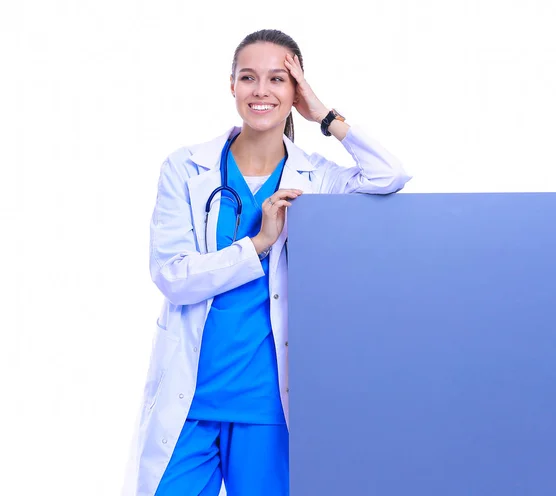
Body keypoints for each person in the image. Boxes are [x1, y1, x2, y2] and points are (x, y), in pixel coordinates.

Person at [122, 29, 412, 496]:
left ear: (295, 89)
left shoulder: (315, 177)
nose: (261, 91)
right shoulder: (185, 167)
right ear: (232, 86)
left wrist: (324, 114)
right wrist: (258, 243)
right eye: (249, 77)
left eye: (278, 79)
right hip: (190, 399)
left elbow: (389, 175)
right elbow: (172, 275)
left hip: (266, 407)